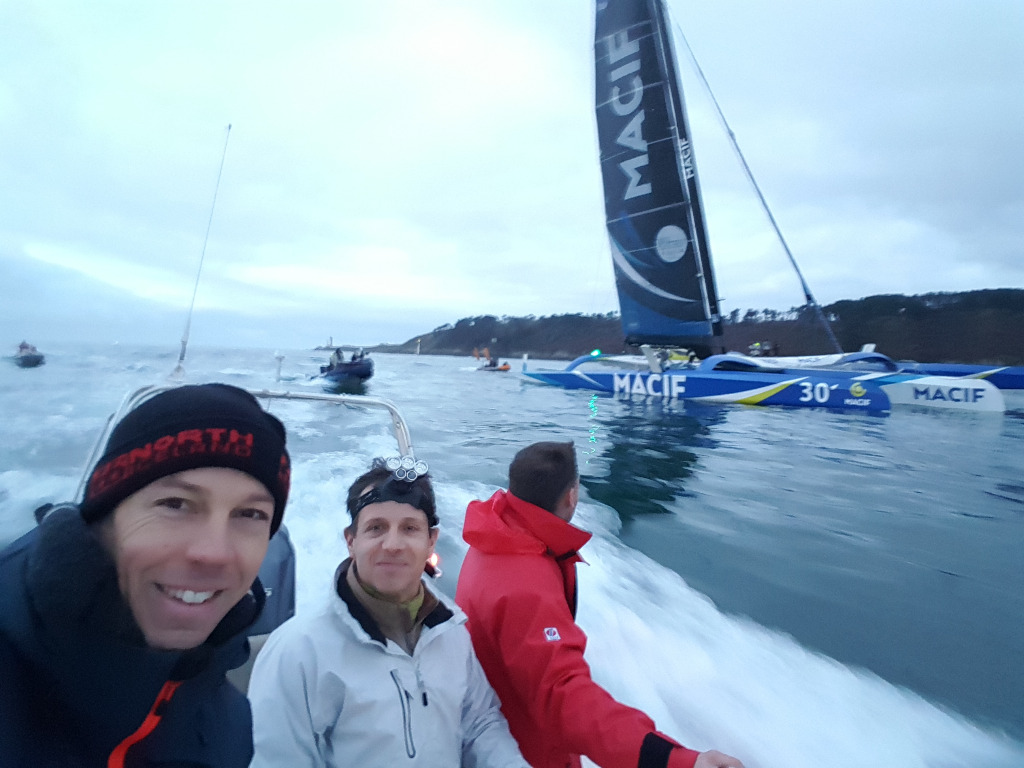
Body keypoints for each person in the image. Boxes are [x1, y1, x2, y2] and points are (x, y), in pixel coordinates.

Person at [0, 383, 292, 767]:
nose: (213, 553)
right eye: (175, 504)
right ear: (103, 517)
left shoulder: (228, 720)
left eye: (250, 514)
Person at [456, 441, 746, 768]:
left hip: (497, 731)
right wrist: (678, 761)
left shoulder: (495, 536)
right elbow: (565, 703)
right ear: (572, 495)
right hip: (526, 754)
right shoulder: (527, 586)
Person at [248, 457, 529, 767]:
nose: (393, 544)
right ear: (351, 541)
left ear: (430, 542)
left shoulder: (450, 631)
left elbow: (480, 725)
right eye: (376, 528)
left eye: (409, 528)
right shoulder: (299, 651)